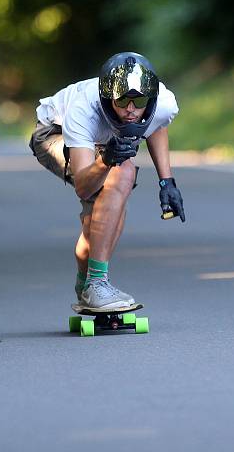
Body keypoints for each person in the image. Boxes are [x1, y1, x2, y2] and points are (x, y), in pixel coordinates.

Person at [29, 52, 185, 310]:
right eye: (122, 100)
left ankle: (86, 285)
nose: (131, 110)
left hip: (104, 141)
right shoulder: (83, 111)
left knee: (108, 203)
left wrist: (167, 182)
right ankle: (97, 283)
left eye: (139, 101)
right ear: (108, 97)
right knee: (120, 172)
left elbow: (156, 126)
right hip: (54, 132)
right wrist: (105, 161)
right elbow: (84, 185)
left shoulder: (164, 101)